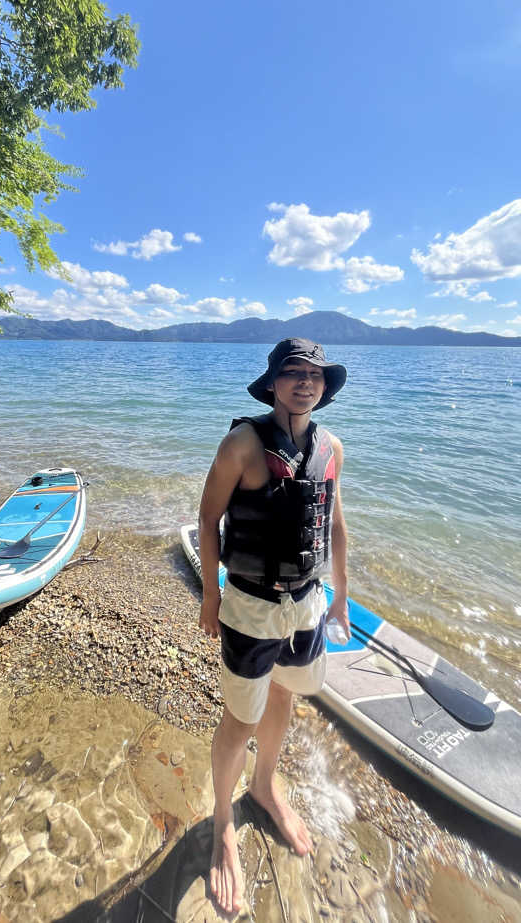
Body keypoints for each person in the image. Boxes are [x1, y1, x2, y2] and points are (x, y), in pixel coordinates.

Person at [198, 338, 349, 915]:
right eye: (293, 372)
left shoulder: (331, 447)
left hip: (307, 603)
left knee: (285, 692)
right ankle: (222, 823)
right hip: (252, 605)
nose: (305, 382)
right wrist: (210, 596)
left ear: (324, 387)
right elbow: (208, 520)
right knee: (241, 717)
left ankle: (264, 786)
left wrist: (341, 595)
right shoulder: (242, 444)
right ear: (273, 383)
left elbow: (335, 522)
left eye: (315, 374)